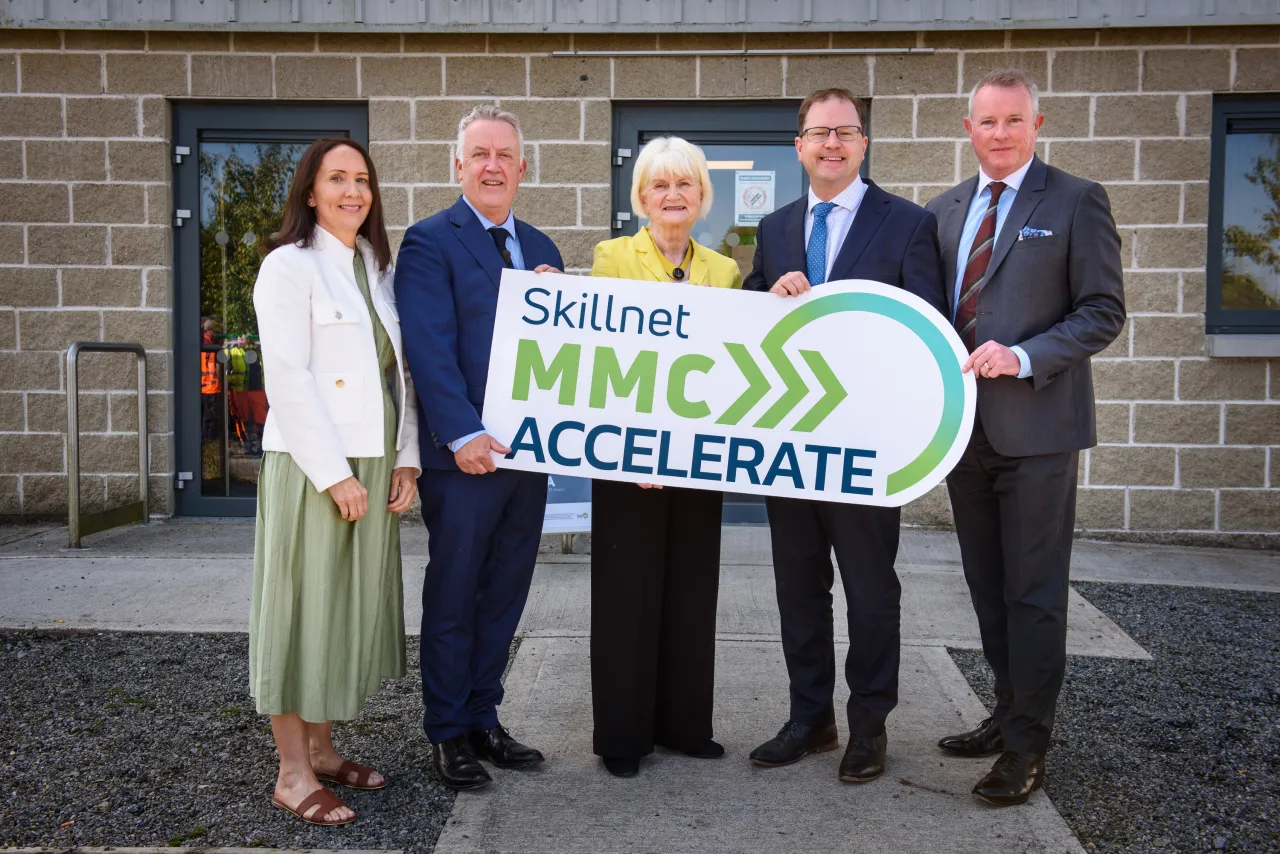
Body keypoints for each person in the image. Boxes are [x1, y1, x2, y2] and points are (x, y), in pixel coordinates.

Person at [924, 69, 1125, 806]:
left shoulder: (1075, 201)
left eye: (1014, 120)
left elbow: (1102, 310)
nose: (1000, 133)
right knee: (987, 588)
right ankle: (1007, 713)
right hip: (964, 434)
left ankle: (1028, 748)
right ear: (968, 128)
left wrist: (1024, 354)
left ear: (1037, 125)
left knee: (1035, 594)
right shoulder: (944, 211)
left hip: (1039, 429)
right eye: (987, 121)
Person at [743, 88, 948, 784]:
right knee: (798, 586)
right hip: (790, 444)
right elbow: (746, 319)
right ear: (797, 146)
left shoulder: (909, 224)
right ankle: (810, 719)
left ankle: (869, 725)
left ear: (863, 145)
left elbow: (928, 327)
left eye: (846, 132)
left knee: (869, 589)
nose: (832, 144)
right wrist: (765, 298)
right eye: (819, 133)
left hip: (866, 446)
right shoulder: (773, 228)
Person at [249, 137, 421, 826]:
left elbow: (399, 375)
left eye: (362, 179)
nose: (353, 191)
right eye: (337, 179)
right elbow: (286, 379)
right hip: (314, 466)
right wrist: (332, 476)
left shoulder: (373, 267)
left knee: (337, 612)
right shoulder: (286, 267)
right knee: (297, 613)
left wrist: (406, 456)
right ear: (311, 192)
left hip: (374, 459)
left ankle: (321, 749)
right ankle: (292, 774)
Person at [394, 105, 564, 791]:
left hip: (526, 457)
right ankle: (447, 732)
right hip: (464, 460)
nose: (493, 165)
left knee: (505, 592)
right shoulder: (430, 241)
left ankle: (484, 717)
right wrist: (462, 434)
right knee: (456, 592)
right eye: (480, 153)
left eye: (505, 155)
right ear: (457, 165)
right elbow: (428, 349)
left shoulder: (543, 247)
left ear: (523, 168)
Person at [588, 136, 743, 778]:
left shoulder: (725, 270)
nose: (673, 196)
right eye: (660, 185)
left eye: (685, 185)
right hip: (630, 460)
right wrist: (636, 450)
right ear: (641, 197)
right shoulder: (612, 256)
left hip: (698, 458)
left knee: (690, 588)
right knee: (628, 593)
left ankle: (684, 725)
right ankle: (624, 737)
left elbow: (735, 361)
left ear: (702, 196)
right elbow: (601, 357)